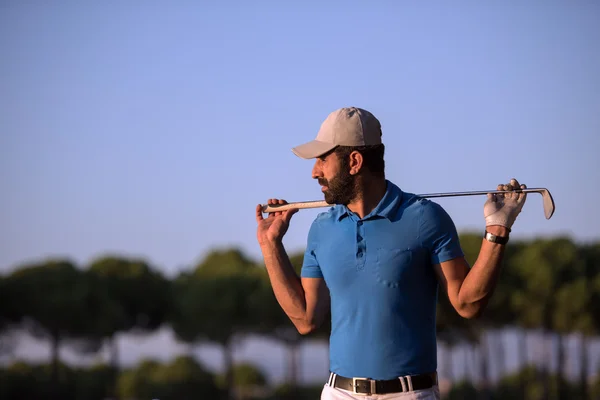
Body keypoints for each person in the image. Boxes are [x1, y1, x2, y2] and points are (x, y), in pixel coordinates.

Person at [255, 107, 527, 399]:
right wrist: (271, 246)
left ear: (355, 161)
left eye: (323, 159)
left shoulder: (426, 218)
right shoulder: (322, 229)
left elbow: (467, 304)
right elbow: (305, 319)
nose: (314, 172)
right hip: (339, 393)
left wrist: (496, 230)